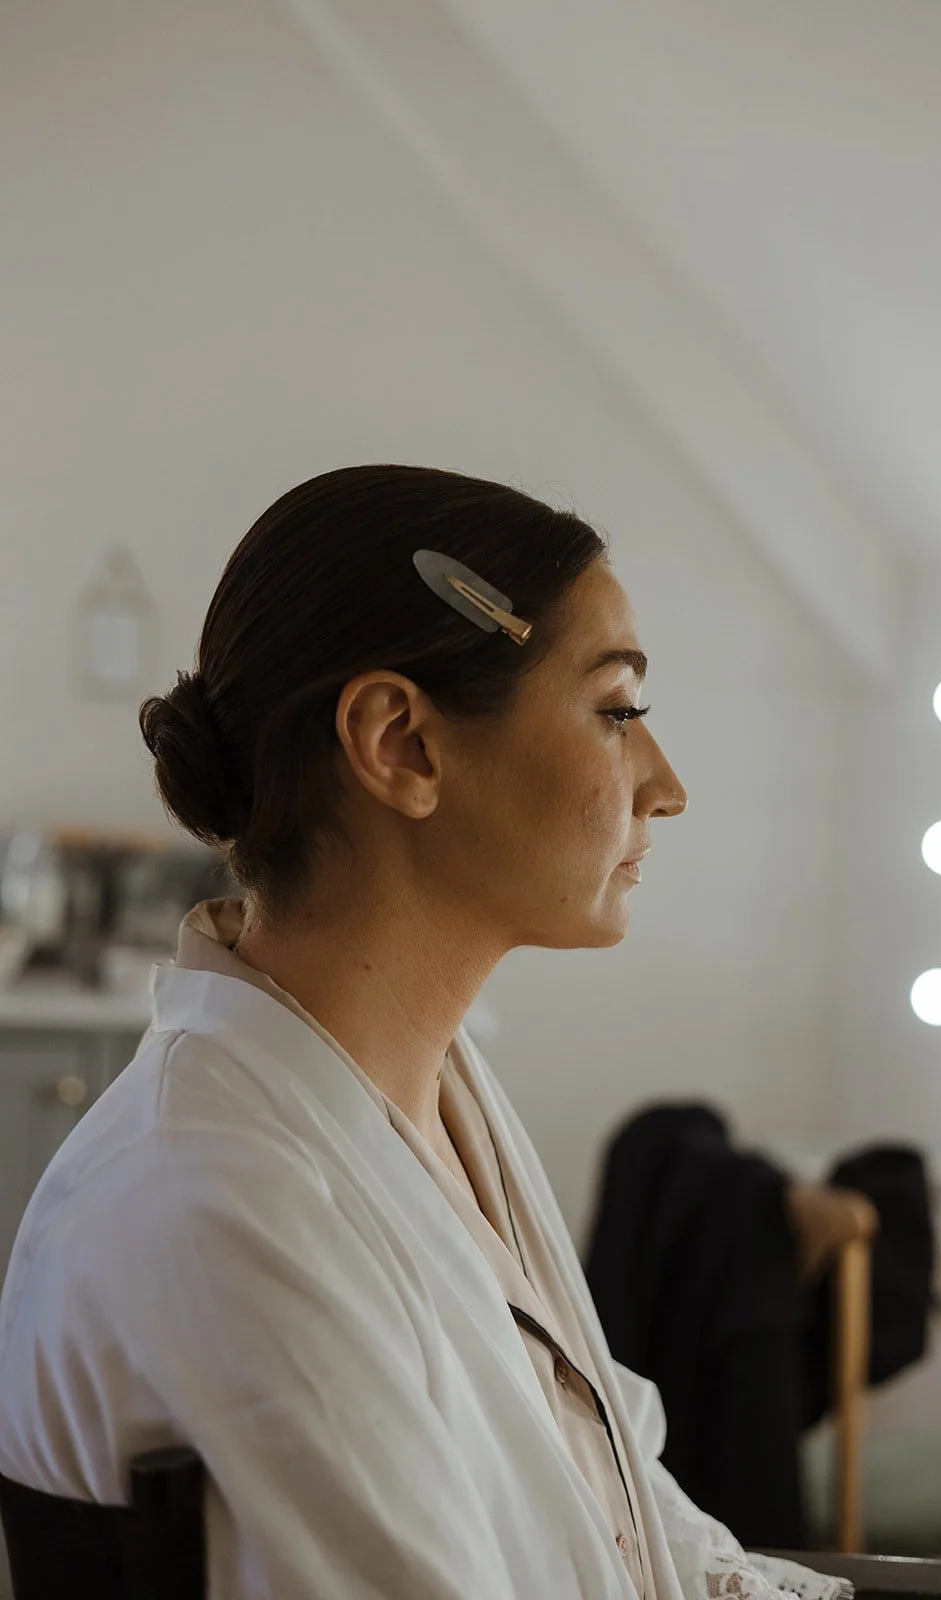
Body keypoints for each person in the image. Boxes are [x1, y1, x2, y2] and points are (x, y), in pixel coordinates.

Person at [0, 466, 848, 1599]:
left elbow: (616, 1497)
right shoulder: (223, 1204)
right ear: (400, 742)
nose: (665, 785)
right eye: (616, 711)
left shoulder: (433, 1090)